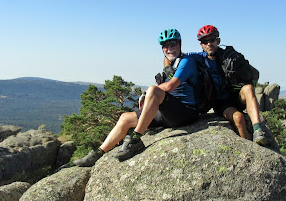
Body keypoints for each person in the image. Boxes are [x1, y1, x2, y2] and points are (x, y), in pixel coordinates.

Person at [73, 29, 199, 167]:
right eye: (165, 45)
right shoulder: (170, 62)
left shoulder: (187, 61)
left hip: (185, 113)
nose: (169, 48)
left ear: (180, 44)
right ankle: (97, 154)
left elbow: (170, 86)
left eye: (173, 44)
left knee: (153, 90)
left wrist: (148, 93)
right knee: (124, 118)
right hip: (168, 114)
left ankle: (135, 139)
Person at [185, 25, 268, 146]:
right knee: (239, 118)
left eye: (212, 40)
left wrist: (248, 84)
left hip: (237, 96)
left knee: (248, 88)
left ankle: (257, 130)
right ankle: (250, 147)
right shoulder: (197, 58)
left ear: (218, 41)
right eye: (205, 41)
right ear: (201, 44)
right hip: (221, 104)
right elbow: (172, 57)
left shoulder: (229, 57)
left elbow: (255, 73)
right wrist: (167, 68)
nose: (209, 44)